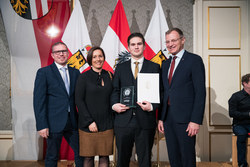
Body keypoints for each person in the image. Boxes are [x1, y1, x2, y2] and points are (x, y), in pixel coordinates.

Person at [158, 28, 206, 167]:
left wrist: (195, 120)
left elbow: (200, 92)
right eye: (167, 41)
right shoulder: (165, 63)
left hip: (186, 119)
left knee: (186, 157)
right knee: (173, 156)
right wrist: (161, 117)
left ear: (182, 40)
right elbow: (164, 92)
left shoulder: (194, 60)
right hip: (168, 118)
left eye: (174, 40)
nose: (170, 44)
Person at [111, 32, 160, 167]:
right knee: (122, 160)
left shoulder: (154, 67)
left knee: (145, 161)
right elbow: (115, 90)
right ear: (128, 47)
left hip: (145, 120)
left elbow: (159, 92)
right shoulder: (121, 67)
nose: (136, 47)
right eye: (133, 44)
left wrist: (152, 106)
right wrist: (114, 105)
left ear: (144, 47)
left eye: (139, 44)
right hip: (123, 121)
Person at [33, 42, 83, 167]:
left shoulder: (75, 72)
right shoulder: (43, 72)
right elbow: (38, 101)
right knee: (52, 155)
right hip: (53, 122)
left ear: (67, 53)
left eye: (64, 51)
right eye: (57, 52)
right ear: (53, 55)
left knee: (81, 153)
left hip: (73, 121)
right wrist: (42, 124)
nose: (61, 54)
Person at [75, 46, 114, 167]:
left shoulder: (110, 75)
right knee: (88, 157)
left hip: (107, 124)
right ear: (90, 59)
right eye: (95, 57)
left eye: (100, 56)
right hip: (88, 125)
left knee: (104, 157)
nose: (98, 59)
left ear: (104, 58)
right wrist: (89, 121)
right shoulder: (83, 77)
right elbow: (79, 101)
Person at [229, 73, 250, 167]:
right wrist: (248, 114)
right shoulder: (236, 96)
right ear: (245, 83)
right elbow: (232, 113)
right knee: (242, 135)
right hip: (239, 125)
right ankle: (242, 163)